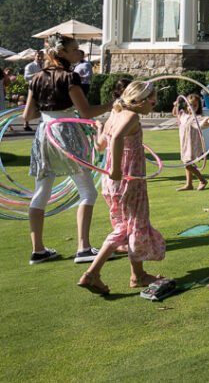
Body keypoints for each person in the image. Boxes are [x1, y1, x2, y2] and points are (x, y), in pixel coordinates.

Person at [22, 35, 112, 265]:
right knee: (87, 191)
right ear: (61, 53)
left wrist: (48, 110)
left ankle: (38, 250)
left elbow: (27, 116)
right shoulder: (69, 76)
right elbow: (87, 113)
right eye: (74, 50)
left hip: (44, 133)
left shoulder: (36, 77)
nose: (78, 53)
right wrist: (115, 104)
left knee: (42, 190)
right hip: (67, 132)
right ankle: (83, 248)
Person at [77, 81, 166, 294]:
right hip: (128, 181)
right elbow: (116, 138)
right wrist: (117, 169)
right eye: (152, 102)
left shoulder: (114, 115)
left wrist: (100, 128)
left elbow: (100, 145)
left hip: (111, 183)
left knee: (125, 227)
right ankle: (94, 273)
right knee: (133, 225)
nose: (153, 106)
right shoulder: (132, 116)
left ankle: (135, 275)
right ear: (139, 101)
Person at [174, 94, 209, 191]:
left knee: (187, 164)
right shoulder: (183, 114)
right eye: (190, 105)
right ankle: (189, 184)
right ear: (186, 105)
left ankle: (202, 180)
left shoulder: (198, 117)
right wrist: (175, 105)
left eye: (195, 105)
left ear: (198, 106)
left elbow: (208, 119)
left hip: (192, 144)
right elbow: (175, 113)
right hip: (184, 143)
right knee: (187, 163)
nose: (192, 108)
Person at [22, 50, 44, 131]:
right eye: (38, 56)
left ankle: (42, 123)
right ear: (34, 56)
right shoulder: (30, 66)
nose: (39, 57)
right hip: (34, 88)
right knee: (30, 105)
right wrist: (36, 75)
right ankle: (26, 124)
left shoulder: (45, 65)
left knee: (43, 106)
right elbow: (26, 77)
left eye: (41, 56)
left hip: (44, 88)